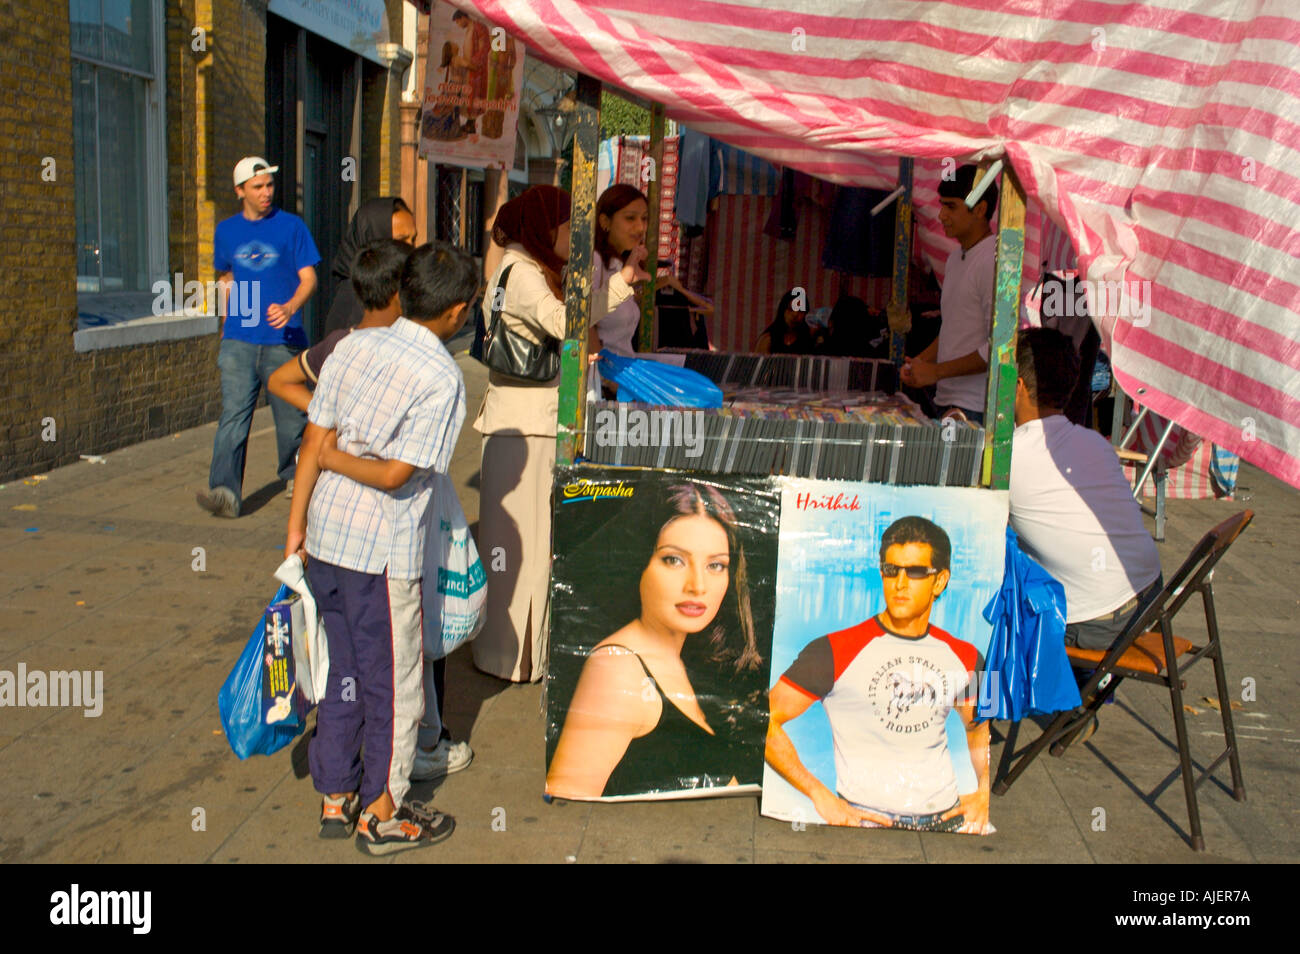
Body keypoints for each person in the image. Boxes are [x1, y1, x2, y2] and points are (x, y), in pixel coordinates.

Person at [284, 241, 477, 855]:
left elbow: (311, 437)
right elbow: (397, 475)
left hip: (325, 534)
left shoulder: (352, 345)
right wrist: (343, 457)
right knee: (394, 685)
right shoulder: (441, 376)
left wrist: (296, 530)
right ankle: (383, 813)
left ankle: (335, 794)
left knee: (341, 671)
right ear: (458, 312)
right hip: (379, 549)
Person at [471, 186, 645, 683]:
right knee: (523, 549)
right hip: (529, 424)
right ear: (545, 228)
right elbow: (566, 324)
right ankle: (518, 658)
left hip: (519, 422)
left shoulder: (513, 267)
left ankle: (511, 653)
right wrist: (621, 283)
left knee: (514, 546)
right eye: (571, 228)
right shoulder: (523, 275)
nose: (577, 237)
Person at [765, 516, 989, 832]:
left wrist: (984, 792)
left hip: (947, 818)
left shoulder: (970, 656)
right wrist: (818, 794)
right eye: (890, 570)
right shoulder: (831, 650)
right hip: (861, 820)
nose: (899, 583)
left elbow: (981, 727)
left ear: (939, 581)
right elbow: (765, 719)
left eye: (914, 572)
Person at [546, 483, 765, 798]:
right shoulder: (617, 669)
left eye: (715, 565)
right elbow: (567, 795)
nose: (697, 585)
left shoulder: (687, 655)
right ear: (639, 560)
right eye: (674, 560)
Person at [1009, 328, 1163, 739]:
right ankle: (1080, 699)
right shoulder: (1094, 443)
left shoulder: (1008, 458)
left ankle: (981, 712)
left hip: (1099, 620)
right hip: (1149, 599)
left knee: (989, 584)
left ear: (1018, 385)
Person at [197, 156, 320, 518]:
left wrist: (290, 305)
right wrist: (226, 324)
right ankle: (224, 492)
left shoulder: (291, 227)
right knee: (234, 417)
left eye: (269, 185)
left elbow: (309, 278)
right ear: (240, 192)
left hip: (284, 338)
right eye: (257, 187)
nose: (266, 193)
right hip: (239, 339)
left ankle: (297, 476)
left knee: (291, 416)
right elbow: (226, 278)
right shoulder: (227, 231)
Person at [268, 237, 413, 414]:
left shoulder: (340, 342)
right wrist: (328, 416)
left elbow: (279, 380)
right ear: (399, 293)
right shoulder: (341, 345)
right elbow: (279, 380)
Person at [900, 164, 998, 425]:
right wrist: (921, 362)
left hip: (976, 406)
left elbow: (998, 347)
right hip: (946, 400)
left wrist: (935, 372)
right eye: (941, 205)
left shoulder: (994, 260)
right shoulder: (955, 259)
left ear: (980, 209)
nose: (941, 215)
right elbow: (954, 327)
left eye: (951, 206)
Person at [321, 198, 417, 338]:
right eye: (401, 241)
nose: (411, 249)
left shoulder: (391, 289)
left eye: (413, 239)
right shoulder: (357, 301)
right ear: (374, 239)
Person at [590, 184, 650, 357]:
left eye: (644, 219)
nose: (640, 227)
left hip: (621, 371)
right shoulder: (594, 261)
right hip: (603, 378)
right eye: (630, 218)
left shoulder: (622, 263)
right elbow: (584, 322)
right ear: (605, 222)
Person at [754, 288, 817, 354]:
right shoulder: (768, 339)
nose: (795, 315)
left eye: (800, 311)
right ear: (783, 310)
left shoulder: (808, 339)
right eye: (790, 309)